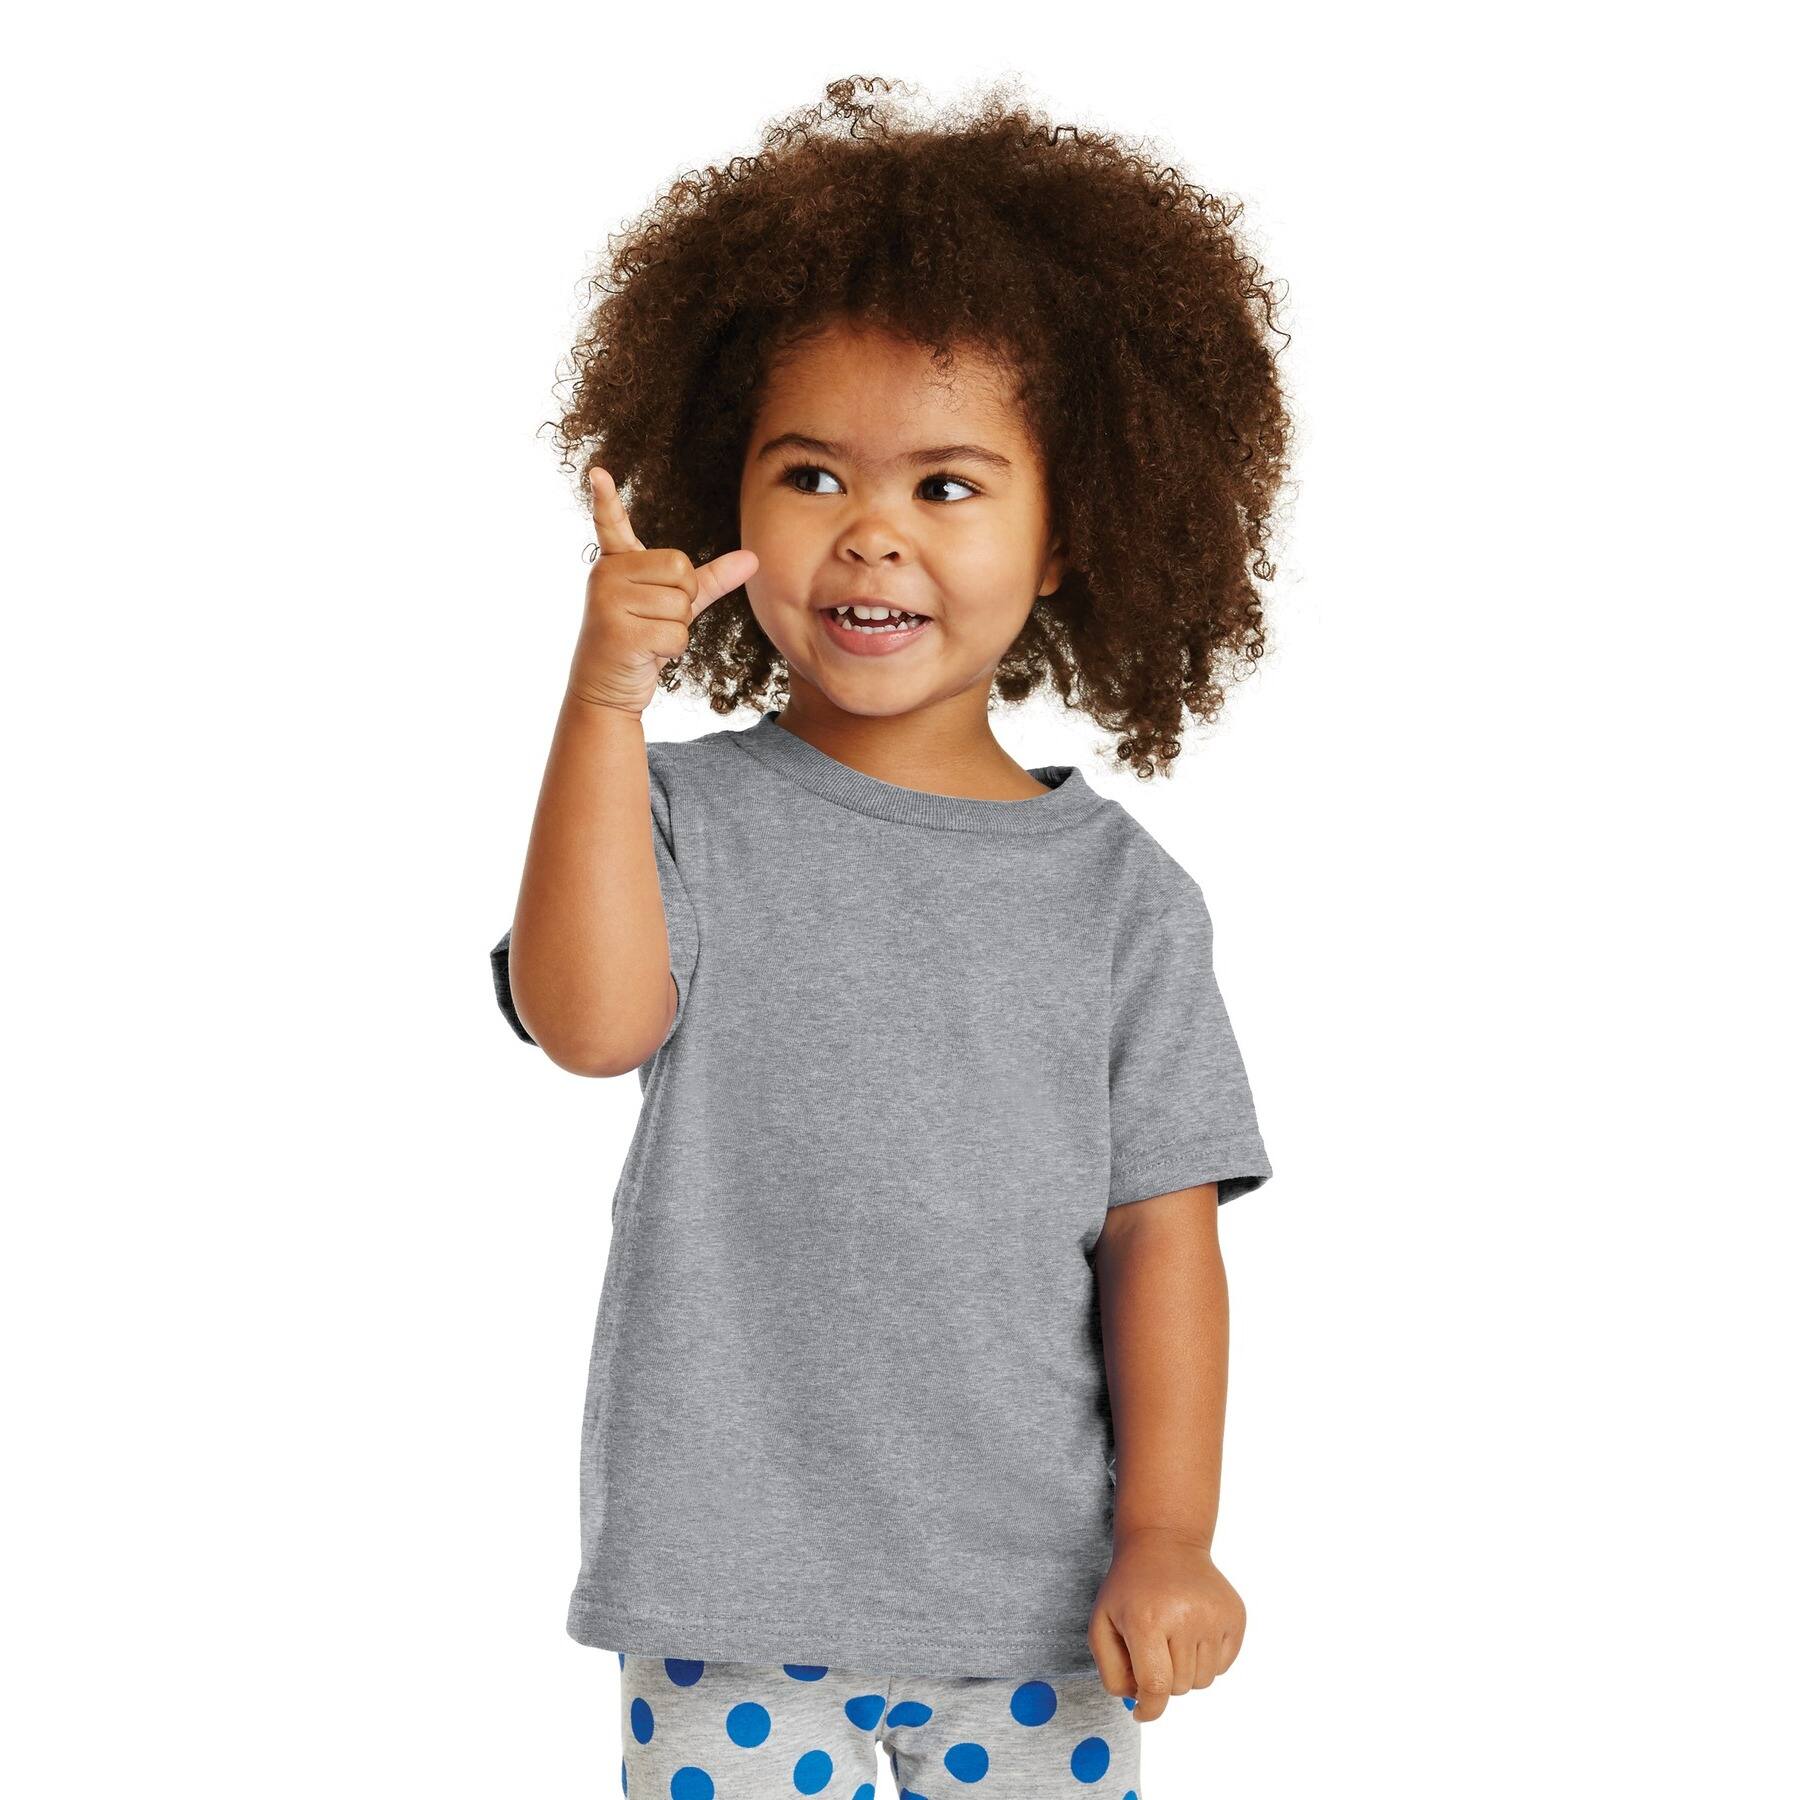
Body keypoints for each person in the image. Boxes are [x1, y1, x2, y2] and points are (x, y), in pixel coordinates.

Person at [490, 73, 1290, 1800]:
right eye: (813, 474)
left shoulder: (1124, 899)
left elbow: (1163, 1243)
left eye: (947, 484)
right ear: (728, 499)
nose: (872, 530)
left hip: (1040, 1610)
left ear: (1069, 534)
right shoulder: (678, 817)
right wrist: (602, 704)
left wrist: (1170, 1534)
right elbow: (589, 1024)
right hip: (728, 1592)